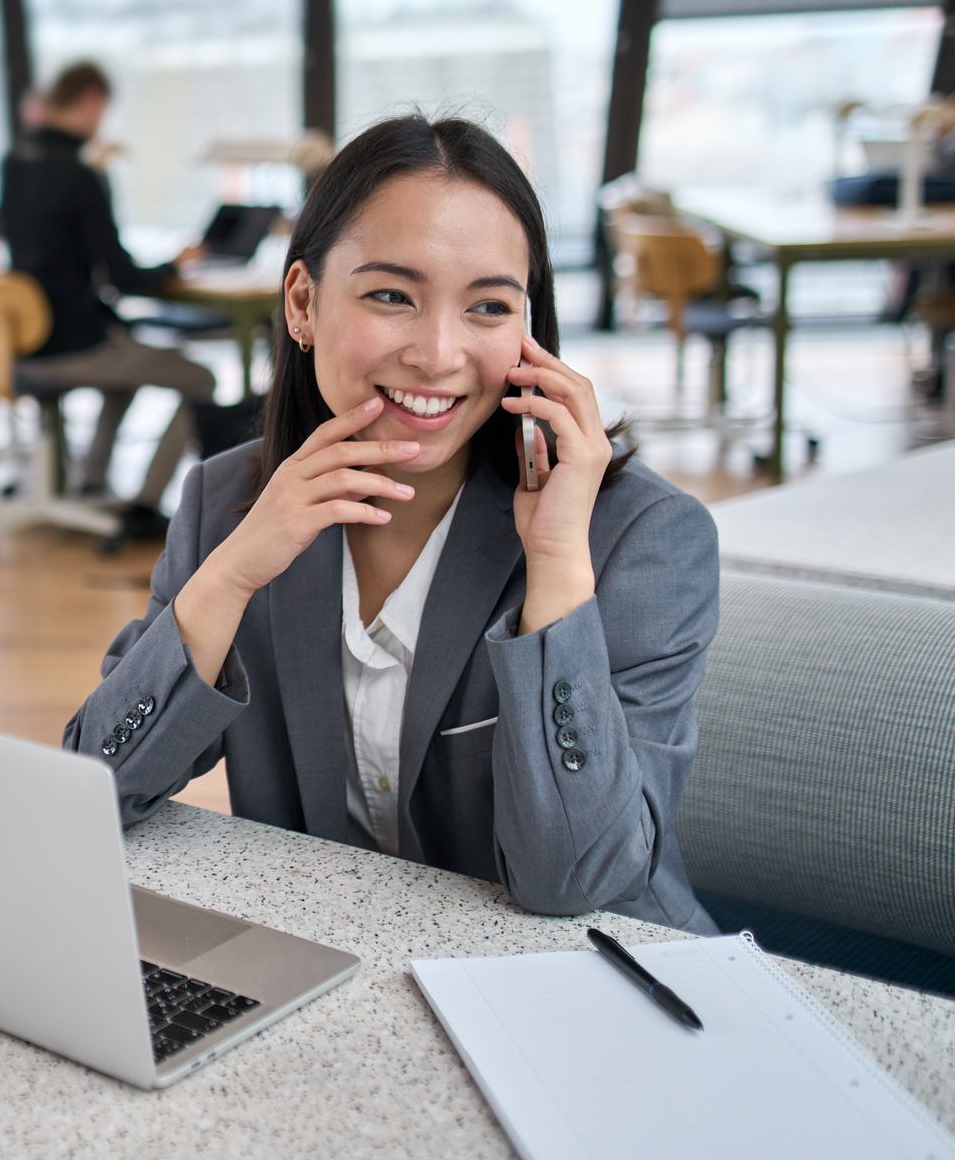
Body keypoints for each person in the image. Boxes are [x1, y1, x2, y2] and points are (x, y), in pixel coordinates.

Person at [65, 114, 719, 933]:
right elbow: (94, 786)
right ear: (302, 302)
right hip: (349, 975)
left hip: (596, 982)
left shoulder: (638, 536)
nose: (439, 353)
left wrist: (554, 565)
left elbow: (573, 879)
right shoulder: (225, 505)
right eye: (390, 296)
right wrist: (230, 576)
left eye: (487, 306)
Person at [0, 62, 214, 541]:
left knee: (129, 361)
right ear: (92, 100)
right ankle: (144, 506)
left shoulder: (13, 164)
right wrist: (178, 262)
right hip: (73, 346)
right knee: (201, 377)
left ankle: (90, 481)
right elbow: (125, 279)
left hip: (21, 345)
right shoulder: (81, 176)